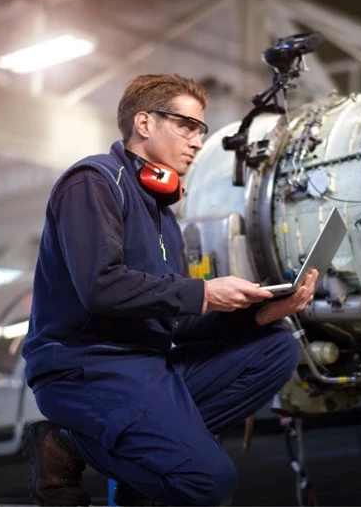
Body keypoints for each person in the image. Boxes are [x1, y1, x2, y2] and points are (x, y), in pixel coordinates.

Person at [21, 73, 317, 506]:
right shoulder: (94, 182)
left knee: (277, 348)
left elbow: (174, 321)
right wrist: (205, 292)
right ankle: (67, 442)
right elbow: (100, 288)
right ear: (144, 123)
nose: (198, 141)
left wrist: (260, 314)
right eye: (187, 126)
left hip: (148, 367)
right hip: (86, 370)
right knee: (210, 483)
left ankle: (142, 470)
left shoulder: (163, 218)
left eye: (201, 130)